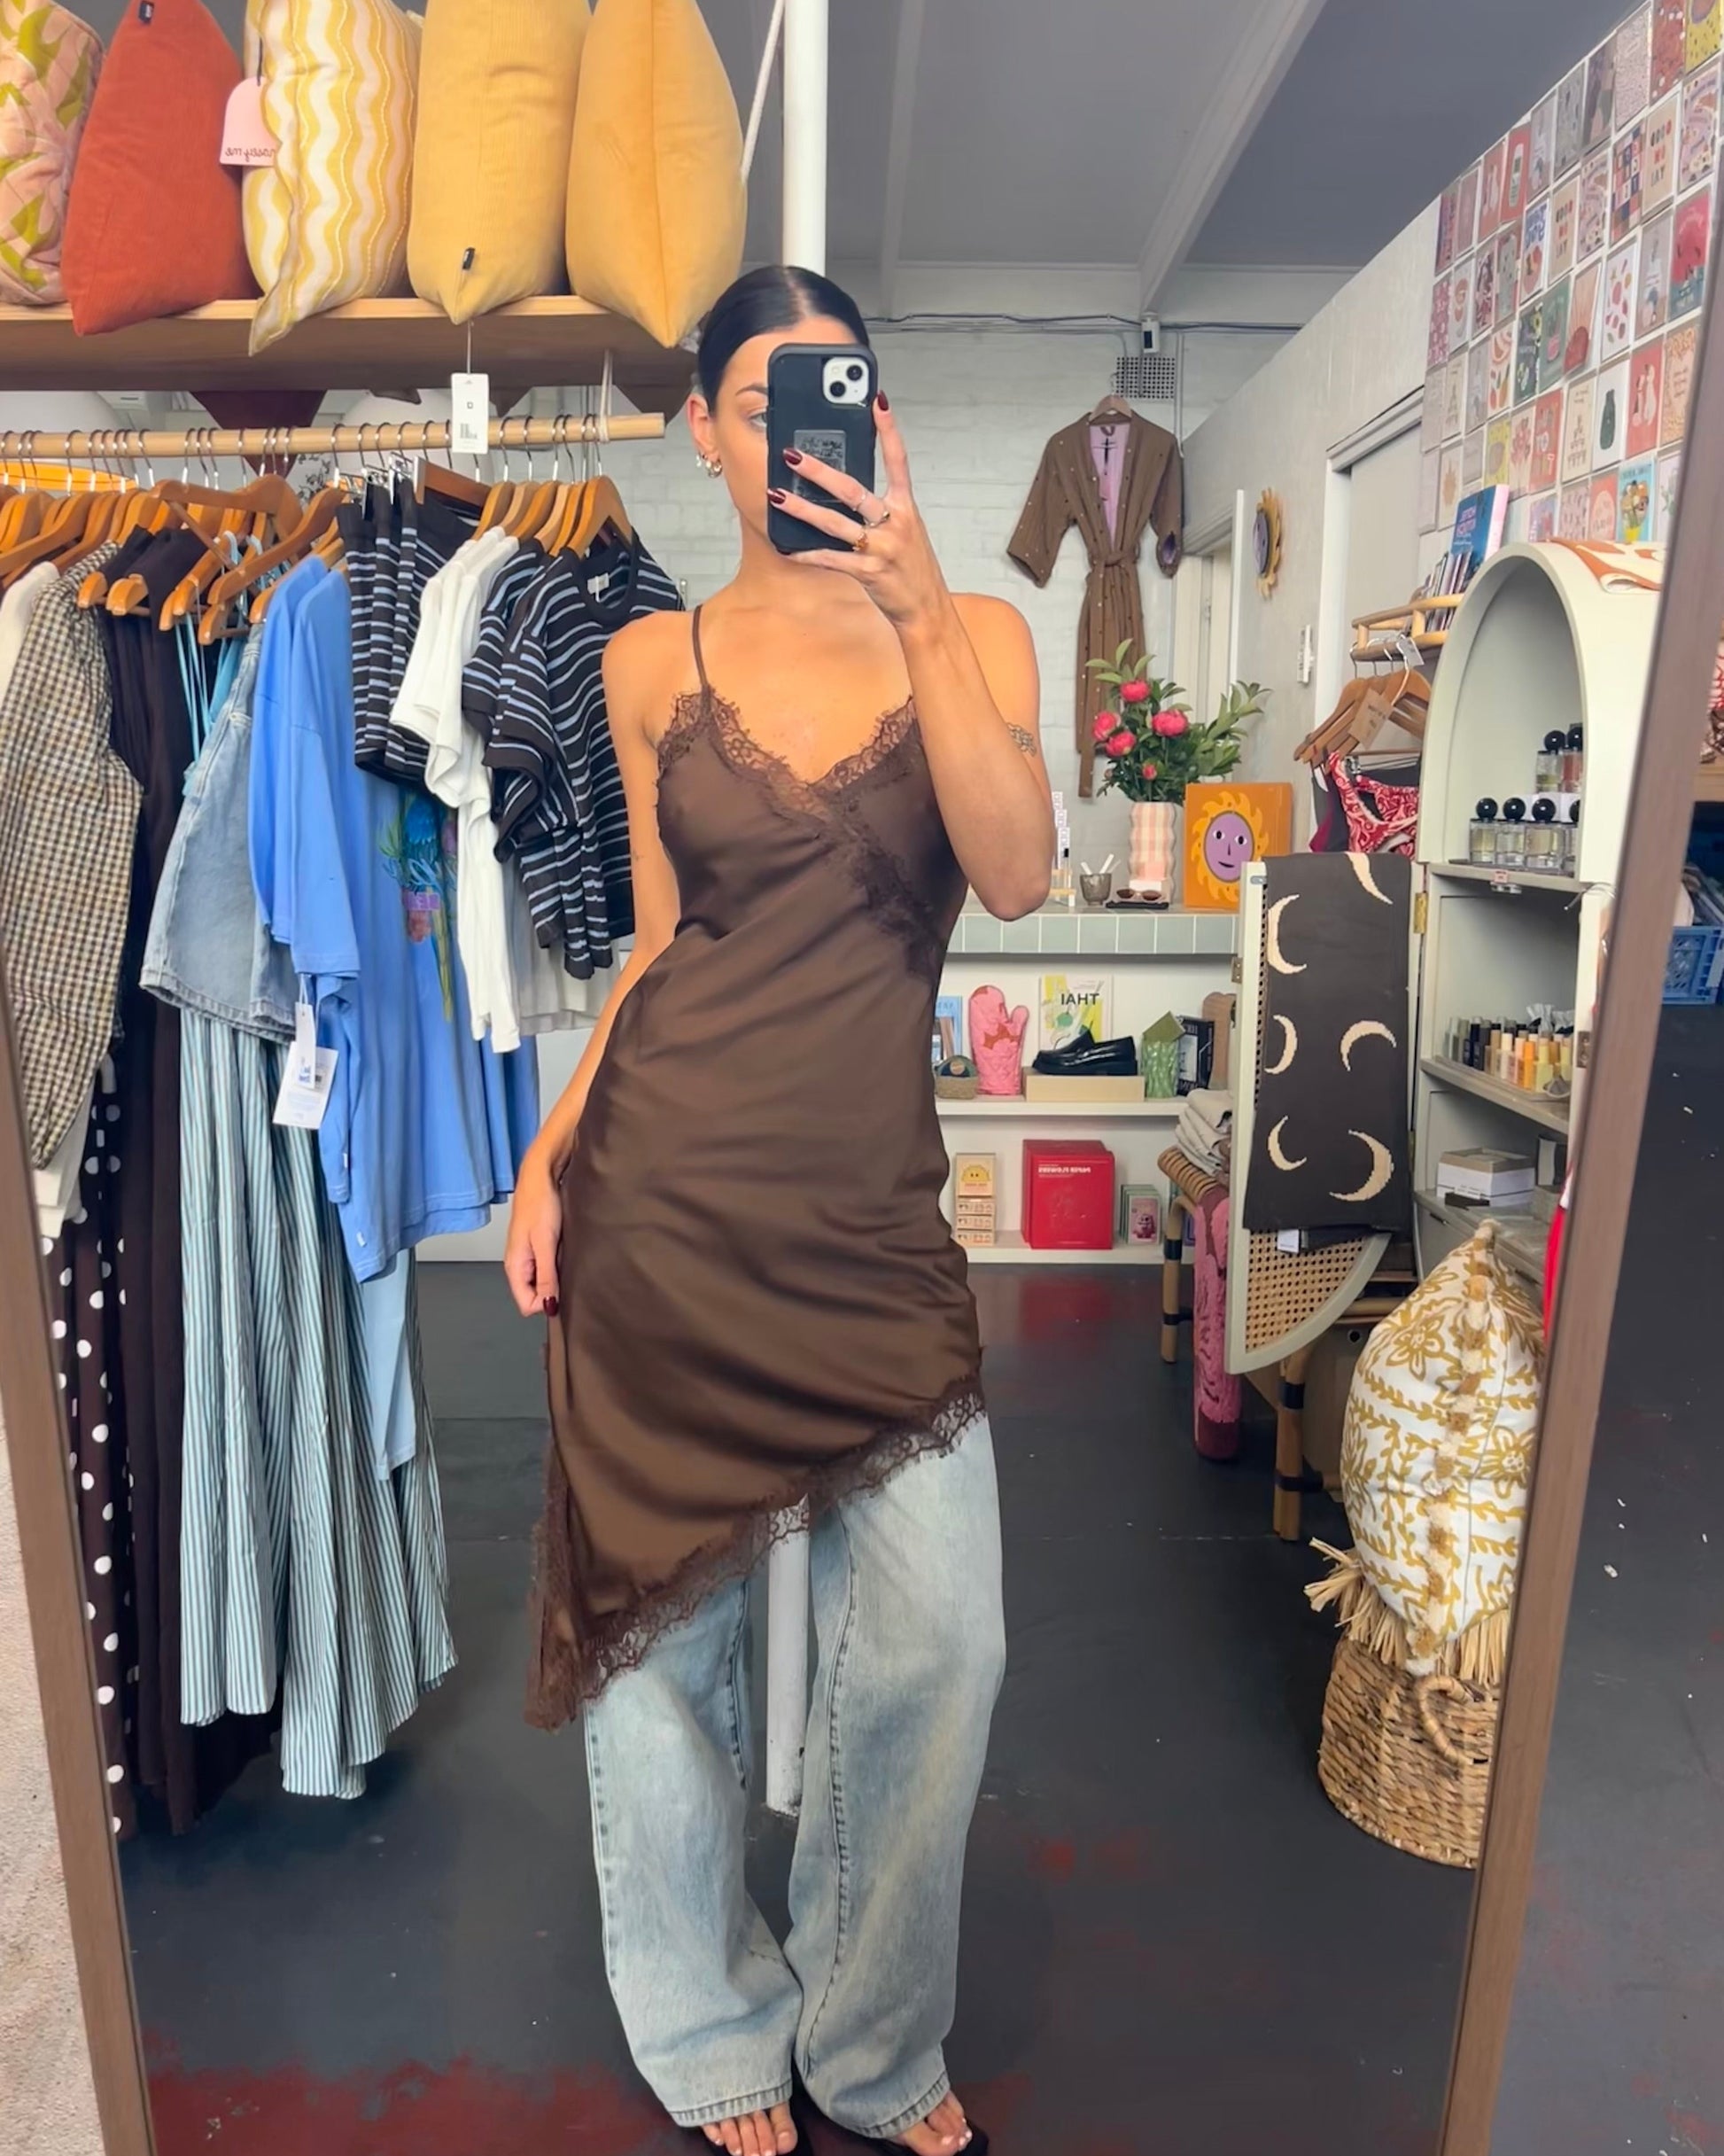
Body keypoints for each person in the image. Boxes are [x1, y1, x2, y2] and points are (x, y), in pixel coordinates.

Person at [503, 265, 1052, 2156]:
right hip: (666, 1209)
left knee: (945, 1641)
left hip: (870, 1225)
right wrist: (553, 1143)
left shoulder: (976, 629)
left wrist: (919, 602)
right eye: (763, 399)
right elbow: (661, 947)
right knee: (663, 1654)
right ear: (706, 433)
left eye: (842, 390)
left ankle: (870, 2029)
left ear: (873, 419)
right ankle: (710, 2022)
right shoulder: (646, 662)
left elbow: (1017, 871)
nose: (806, 428)